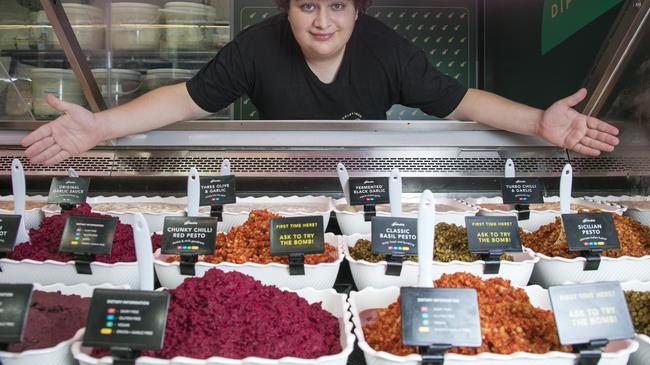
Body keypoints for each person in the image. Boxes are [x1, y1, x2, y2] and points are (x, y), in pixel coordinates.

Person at [22, 0, 619, 165]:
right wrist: (98, 126)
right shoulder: (256, 45)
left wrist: (539, 121)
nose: (323, 21)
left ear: (358, 11)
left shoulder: (388, 48)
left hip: (365, 184)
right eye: (308, 5)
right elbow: (184, 100)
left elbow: (463, 102)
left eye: (338, 5)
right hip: (279, 182)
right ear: (287, 10)